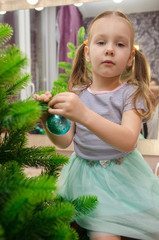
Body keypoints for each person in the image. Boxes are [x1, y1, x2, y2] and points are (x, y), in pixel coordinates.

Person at [34, 10, 159, 240]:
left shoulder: (131, 94)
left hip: (121, 179)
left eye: (120, 44)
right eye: (101, 42)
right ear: (88, 54)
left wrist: (83, 114)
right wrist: (46, 120)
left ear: (130, 58)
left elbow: (128, 140)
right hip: (82, 177)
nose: (110, 49)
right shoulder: (77, 94)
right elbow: (64, 141)